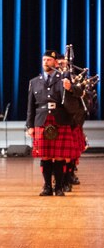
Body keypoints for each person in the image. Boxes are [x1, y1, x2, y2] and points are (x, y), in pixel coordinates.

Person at [26, 49, 78, 196]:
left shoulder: (64, 78)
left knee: (60, 156)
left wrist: (71, 88)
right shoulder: (34, 82)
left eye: (48, 60)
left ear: (55, 63)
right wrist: (30, 126)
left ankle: (59, 187)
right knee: (46, 156)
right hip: (41, 120)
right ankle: (47, 186)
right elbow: (30, 106)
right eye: (43, 60)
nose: (45, 63)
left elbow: (79, 94)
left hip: (60, 119)